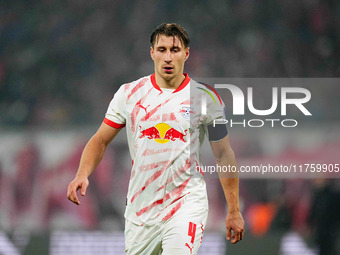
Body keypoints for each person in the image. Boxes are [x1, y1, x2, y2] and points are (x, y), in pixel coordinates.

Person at [67, 23, 244, 254]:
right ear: (151, 52)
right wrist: (82, 173)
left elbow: (223, 155)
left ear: (186, 54)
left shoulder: (206, 98)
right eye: (162, 50)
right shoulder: (129, 94)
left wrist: (234, 209)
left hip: (186, 203)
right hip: (141, 212)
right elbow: (100, 140)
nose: (168, 57)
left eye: (175, 50)